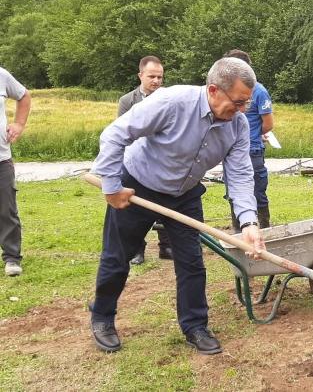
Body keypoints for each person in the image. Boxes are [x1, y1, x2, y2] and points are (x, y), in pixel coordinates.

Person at [89, 58, 266, 355]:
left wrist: (249, 223)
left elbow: (240, 174)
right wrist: (111, 187)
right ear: (213, 90)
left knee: (191, 263)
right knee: (117, 257)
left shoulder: (237, 125)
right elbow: (116, 134)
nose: (240, 111)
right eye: (237, 102)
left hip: (184, 195)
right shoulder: (171, 102)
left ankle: (195, 326)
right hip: (138, 187)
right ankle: (102, 317)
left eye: (245, 104)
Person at [117, 55, 172, 264]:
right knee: (135, 207)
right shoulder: (127, 101)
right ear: (140, 75)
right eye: (152, 76)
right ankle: (136, 250)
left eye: (160, 77)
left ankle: (166, 246)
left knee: (164, 205)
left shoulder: (168, 99)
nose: (156, 81)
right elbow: (122, 131)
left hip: (162, 161)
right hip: (136, 162)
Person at [223, 50, 274, 230]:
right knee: (233, 193)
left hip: (253, 150)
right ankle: (240, 231)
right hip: (230, 149)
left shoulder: (259, 91)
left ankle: (265, 229)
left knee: (257, 191)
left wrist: (250, 136)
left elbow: (268, 124)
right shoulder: (224, 91)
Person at [1, 67, 31, 277]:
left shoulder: (1, 75)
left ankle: (12, 257)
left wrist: (19, 123)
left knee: (6, 209)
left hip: (1, 158)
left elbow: (24, 95)